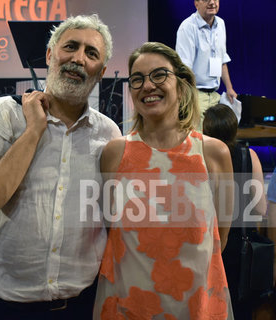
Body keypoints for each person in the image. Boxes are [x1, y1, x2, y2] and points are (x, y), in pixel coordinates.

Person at [0, 14, 122, 320]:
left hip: (80, 306)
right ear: (49, 55)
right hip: (4, 308)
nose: (78, 59)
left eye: (91, 53)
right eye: (70, 46)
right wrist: (33, 131)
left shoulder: (109, 133)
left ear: (102, 71)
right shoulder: (3, 114)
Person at [93, 42, 234, 319]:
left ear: (181, 85)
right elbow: (113, 233)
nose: (148, 85)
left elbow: (219, 241)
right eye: (138, 79)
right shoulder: (114, 154)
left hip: (197, 306)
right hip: (126, 306)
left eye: (159, 75)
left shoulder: (214, 153)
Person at [203, 103, 267, 320]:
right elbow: (261, 208)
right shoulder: (249, 156)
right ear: (234, 127)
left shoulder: (201, 157)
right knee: (241, 310)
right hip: (241, 247)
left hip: (209, 245)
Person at [176, 0, 237, 130]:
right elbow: (183, 69)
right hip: (196, 95)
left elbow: (222, 59)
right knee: (199, 142)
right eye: (206, 0)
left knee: (218, 140)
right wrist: (188, 99)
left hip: (215, 95)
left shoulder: (220, 24)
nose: (212, 3)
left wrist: (229, 88)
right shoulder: (187, 27)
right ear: (196, 3)